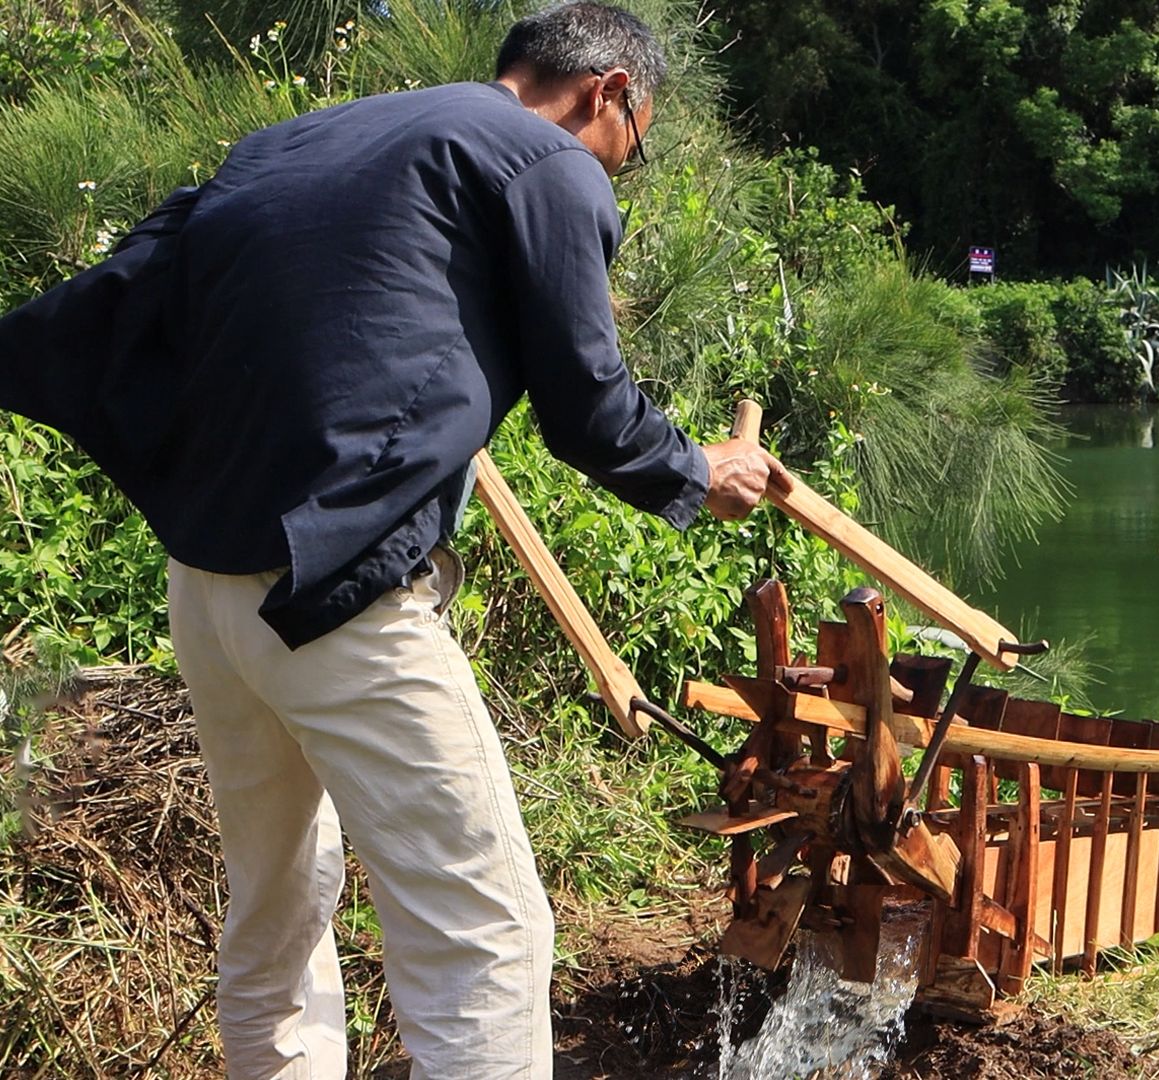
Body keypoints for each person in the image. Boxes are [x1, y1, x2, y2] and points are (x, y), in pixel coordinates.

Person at [0, 3, 786, 1076]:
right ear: (609, 94)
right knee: (490, 938)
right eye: (632, 148)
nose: (619, 169)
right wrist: (697, 467)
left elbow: (122, 296)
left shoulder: (298, 142)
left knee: (277, 916)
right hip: (343, 604)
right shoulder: (547, 160)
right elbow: (587, 407)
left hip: (211, 590)